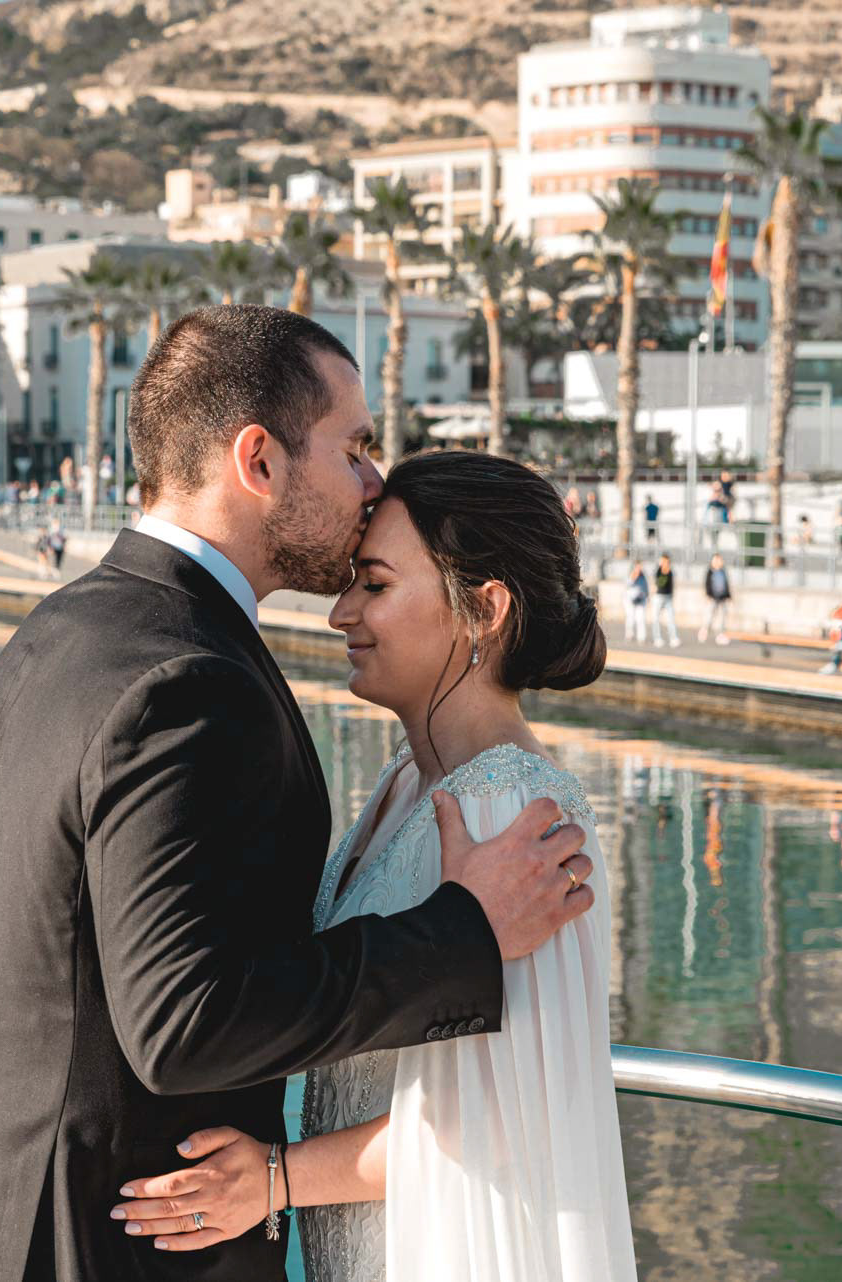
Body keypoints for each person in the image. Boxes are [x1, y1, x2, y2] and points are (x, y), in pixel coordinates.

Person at [0, 306, 595, 1282]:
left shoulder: (64, 632)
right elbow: (184, 1018)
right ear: (259, 460)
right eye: (354, 447)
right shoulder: (186, 680)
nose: (371, 480)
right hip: (103, 1249)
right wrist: (464, 930)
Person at [113, 452, 635, 1281]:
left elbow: (509, 1118)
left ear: (484, 610)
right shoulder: (406, 782)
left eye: (376, 585)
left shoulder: (521, 817)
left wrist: (274, 1180)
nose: (341, 612)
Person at [700, 553, 732, 644]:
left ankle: (720, 634)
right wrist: (708, 595)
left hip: (722, 597)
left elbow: (726, 584)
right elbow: (707, 584)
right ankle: (705, 629)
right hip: (713, 597)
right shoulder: (710, 572)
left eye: (719, 560)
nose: (718, 562)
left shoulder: (723, 571)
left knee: (723, 617)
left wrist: (729, 595)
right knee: (709, 615)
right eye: (716, 560)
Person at [651, 553, 679, 647]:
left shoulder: (670, 572)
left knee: (671, 618)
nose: (665, 563)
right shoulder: (658, 571)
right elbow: (660, 583)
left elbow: (671, 585)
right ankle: (657, 638)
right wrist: (663, 571)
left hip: (668, 597)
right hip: (659, 596)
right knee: (655, 618)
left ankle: (673, 637)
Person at [624, 560, 650, 643]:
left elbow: (646, 588)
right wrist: (634, 575)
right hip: (630, 600)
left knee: (640, 619)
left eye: (640, 567)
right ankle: (629, 634)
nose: (639, 569)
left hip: (641, 600)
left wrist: (647, 597)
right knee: (630, 618)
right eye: (637, 567)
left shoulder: (643, 577)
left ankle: (641, 637)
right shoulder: (630, 575)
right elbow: (627, 584)